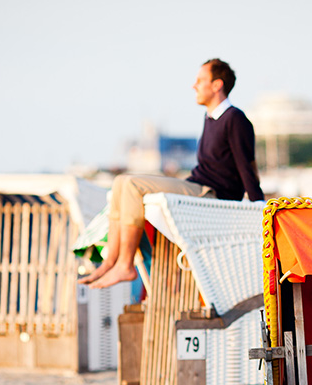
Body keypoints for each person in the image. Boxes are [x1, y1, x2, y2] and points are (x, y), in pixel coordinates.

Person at [80, 58, 265, 289]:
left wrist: (260, 209)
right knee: (120, 182)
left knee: (131, 185)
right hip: (197, 184)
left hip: (211, 194)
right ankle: (111, 262)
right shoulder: (211, 118)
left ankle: (125, 266)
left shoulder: (235, 119)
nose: (194, 86)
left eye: (200, 80)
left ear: (217, 85)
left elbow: (247, 167)